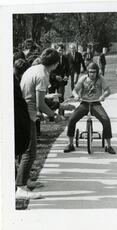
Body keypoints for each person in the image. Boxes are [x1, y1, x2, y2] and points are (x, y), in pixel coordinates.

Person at [17, 48, 62, 199]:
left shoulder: (34, 69)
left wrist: (50, 96)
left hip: (23, 110)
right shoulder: (43, 74)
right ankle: (20, 188)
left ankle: (26, 180)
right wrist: (54, 115)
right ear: (55, 63)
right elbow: (40, 104)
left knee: (27, 149)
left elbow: (33, 93)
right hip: (28, 114)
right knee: (30, 152)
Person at [64, 62, 116, 154]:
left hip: (96, 103)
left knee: (106, 120)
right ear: (88, 72)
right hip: (84, 103)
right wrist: (76, 96)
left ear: (97, 72)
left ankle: (109, 146)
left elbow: (108, 90)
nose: (92, 74)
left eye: (94, 72)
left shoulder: (101, 79)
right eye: (90, 72)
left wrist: (103, 96)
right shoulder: (83, 78)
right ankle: (70, 144)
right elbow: (75, 90)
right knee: (72, 119)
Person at [49, 45, 69, 118]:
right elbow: (49, 70)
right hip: (52, 81)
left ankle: (61, 114)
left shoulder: (66, 59)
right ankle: (51, 115)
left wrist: (67, 76)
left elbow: (68, 69)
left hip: (61, 82)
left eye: (62, 50)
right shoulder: (51, 58)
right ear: (56, 50)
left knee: (61, 97)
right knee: (51, 98)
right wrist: (55, 76)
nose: (60, 51)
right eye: (59, 50)